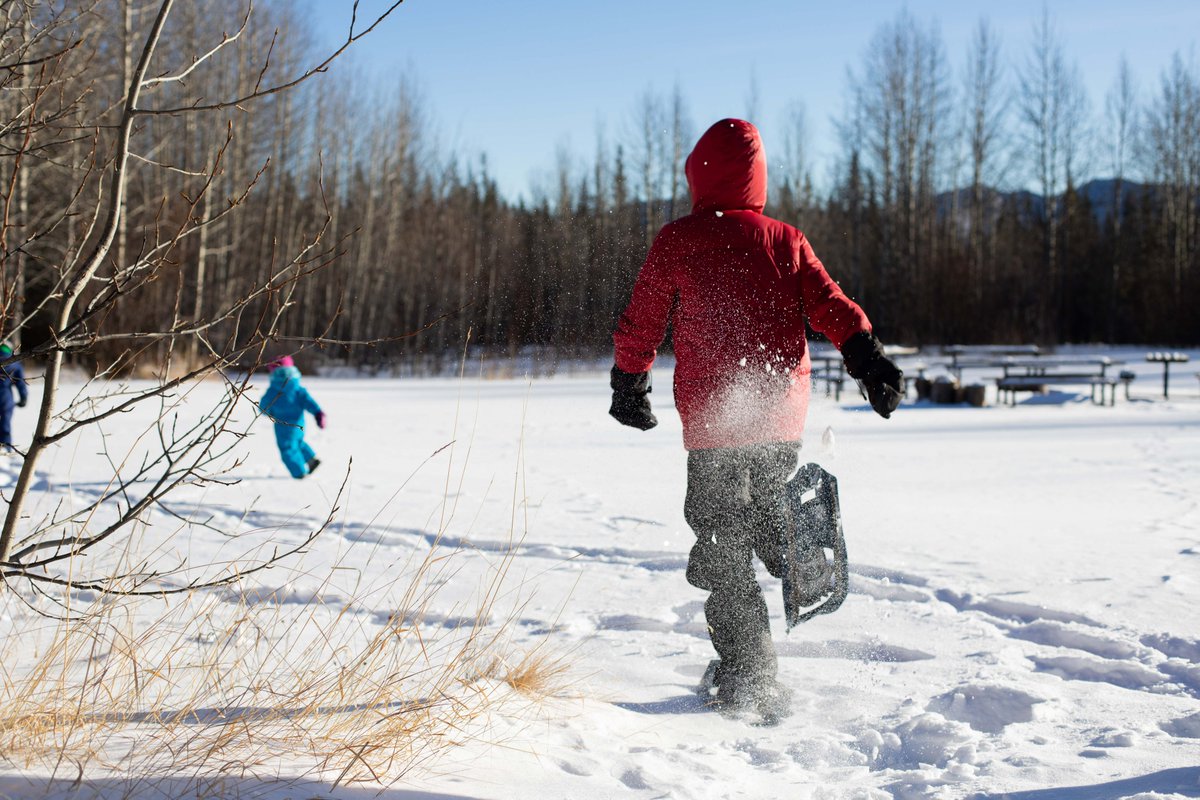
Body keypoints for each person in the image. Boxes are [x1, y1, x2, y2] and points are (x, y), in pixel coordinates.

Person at [608, 118, 904, 718]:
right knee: (766, 508)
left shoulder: (677, 240)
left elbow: (642, 320)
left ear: (700, 172)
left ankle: (750, 673)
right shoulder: (785, 239)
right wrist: (868, 358)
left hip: (716, 426)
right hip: (776, 416)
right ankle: (800, 551)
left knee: (722, 544)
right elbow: (831, 305)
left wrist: (629, 382)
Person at [259, 355, 325, 479]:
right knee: (297, 442)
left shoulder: (273, 390)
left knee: (287, 449)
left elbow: (263, 407)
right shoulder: (297, 388)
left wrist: (269, 412)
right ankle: (311, 459)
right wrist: (318, 413)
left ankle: (299, 472)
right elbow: (309, 402)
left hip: (283, 427)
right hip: (299, 425)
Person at [0, 343, 28, 454]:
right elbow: (20, 382)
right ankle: (6, 449)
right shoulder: (14, 363)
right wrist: (23, 397)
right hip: (6, 397)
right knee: (5, 423)